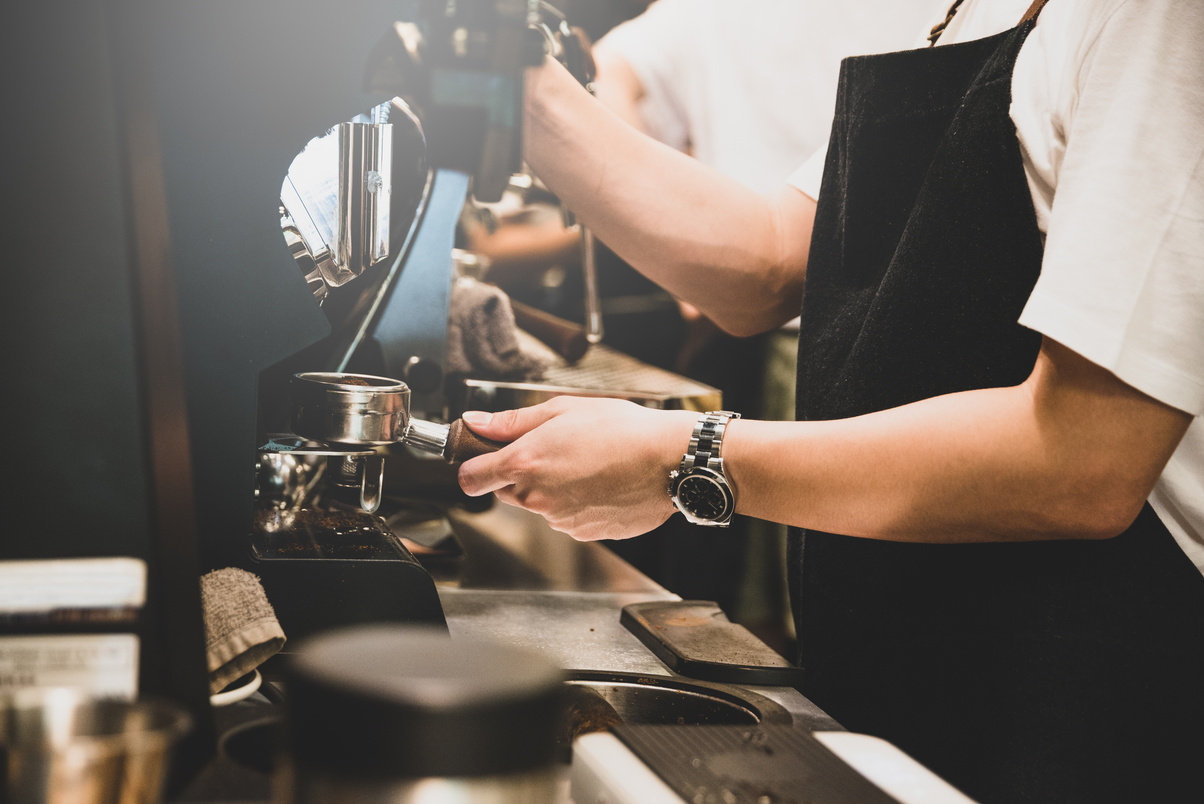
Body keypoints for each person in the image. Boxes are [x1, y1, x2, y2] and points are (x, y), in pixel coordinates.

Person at [460, 0, 1204, 802]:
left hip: (1091, 683)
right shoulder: (958, 12)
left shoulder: (1153, 21)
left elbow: (1083, 457)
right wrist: (516, 78)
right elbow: (768, 260)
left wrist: (685, 457)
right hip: (915, 655)